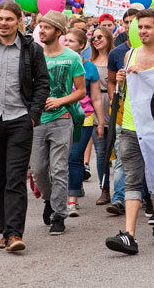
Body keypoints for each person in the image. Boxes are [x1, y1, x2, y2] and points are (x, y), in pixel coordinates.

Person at [0, 0, 49, 252]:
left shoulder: (31, 50)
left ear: (19, 22)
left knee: (15, 178)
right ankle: (5, 230)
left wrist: (33, 116)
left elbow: (42, 85)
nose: (3, 23)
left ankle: (15, 234)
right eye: (0, 19)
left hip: (19, 121)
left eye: (9, 19)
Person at [106, 9, 154, 255]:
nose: (142, 31)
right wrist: (121, 78)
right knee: (132, 179)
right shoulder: (129, 55)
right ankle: (129, 234)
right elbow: (123, 89)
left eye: (148, 27)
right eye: (140, 27)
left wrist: (146, 76)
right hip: (129, 125)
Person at [32, 10, 86, 235]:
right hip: (36, 121)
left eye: (46, 27)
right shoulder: (34, 55)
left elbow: (81, 91)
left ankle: (59, 215)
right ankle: (49, 200)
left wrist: (60, 101)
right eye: (40, 27)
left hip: (62, 119)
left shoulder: (72, 57)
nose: (41, 31)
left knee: (58, 168)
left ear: (58, 31)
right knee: (37, 169)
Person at [63, 27, 106, 218]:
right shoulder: (58, 62)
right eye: (65, 41)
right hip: (60, 116)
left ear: (82, 45)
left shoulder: (90, 67)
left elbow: (96, 98)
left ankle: (72, 200)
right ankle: (70, 188)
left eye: (71, 41)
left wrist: (100, 122)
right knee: (61, 159)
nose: (67, 44)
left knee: (74, 157)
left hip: (85, 118)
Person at [104, 8, 138, 215]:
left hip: (145, 114)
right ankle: (118, 199)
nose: (130, 26)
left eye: (134, 22)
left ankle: (144, 197)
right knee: (121, 155)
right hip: (122, 112)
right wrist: (115, 99)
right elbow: (110, 81)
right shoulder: (117, 53)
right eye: (126, 22)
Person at [90, 26, 115, 206]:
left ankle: (122, 191)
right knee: (100, 152)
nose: (96, 40)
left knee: (117, 151)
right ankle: (104, 188)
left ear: (108, 38)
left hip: (112, 104)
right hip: (95, 106)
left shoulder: (114, 58)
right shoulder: (90, 62)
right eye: (93, 38)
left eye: (100, 36)